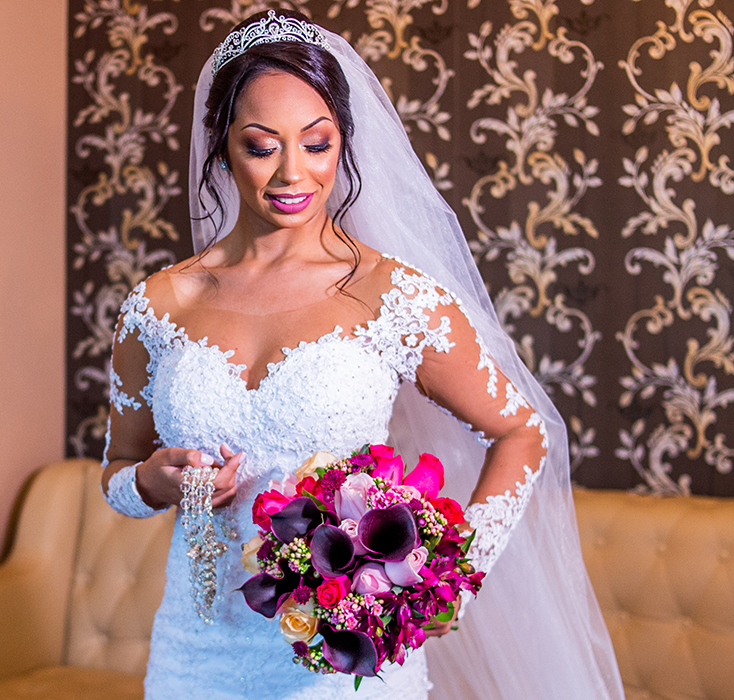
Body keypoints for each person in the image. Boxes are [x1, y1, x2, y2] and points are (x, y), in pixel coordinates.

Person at [100, 9, 623, 699]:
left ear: (343, 142)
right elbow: (117, 471)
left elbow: (522, 433)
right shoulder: (159, 305)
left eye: (317, 143)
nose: (293, 172)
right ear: (221, 147)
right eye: (262, 146)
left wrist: (450, 581)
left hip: (345, 667)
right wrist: (152, 483)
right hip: (195, 659)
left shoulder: (391, 295)